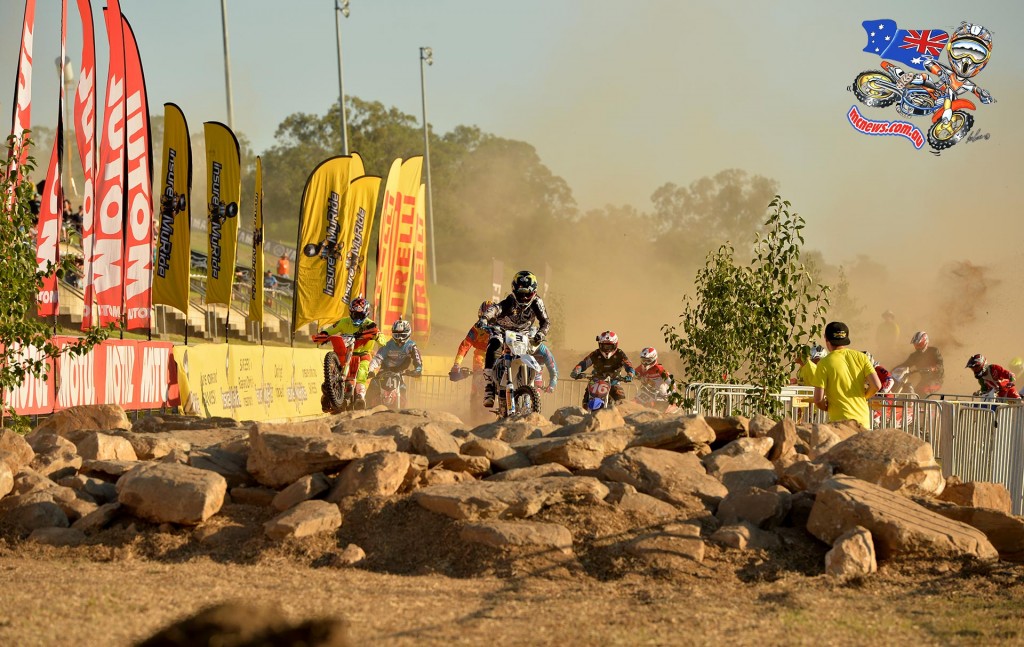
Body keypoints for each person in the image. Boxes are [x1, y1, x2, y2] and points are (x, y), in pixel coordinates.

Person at [479, 270, 550, 408]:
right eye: (520, 294)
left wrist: (541, 333)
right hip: (503, 330)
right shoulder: (510, 301)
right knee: (494, 344)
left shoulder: (537, 302)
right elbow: (496, 308)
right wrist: (484, 318)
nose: (523, 298)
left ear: (534, 292)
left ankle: (530, 387)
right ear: (514, 290)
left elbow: (546, 321)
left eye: (527, 294)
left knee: (535, 350)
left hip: (524, 332)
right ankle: (489, 387)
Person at [809, 322, 882, 429]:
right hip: (863, 421)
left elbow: (818, 399)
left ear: (826, 338)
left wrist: (826, 407)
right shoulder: (862, 357)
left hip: (840, 423)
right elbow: (876, 386)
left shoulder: (824, 363)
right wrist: (864, 396)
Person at [319, 296, 387, 409]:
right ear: (351, 312)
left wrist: (378, 337)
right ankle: (326, 395)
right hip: (344, 354)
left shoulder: (370, 324)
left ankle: (360, 397)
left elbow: (382, 339)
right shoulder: (344, 321)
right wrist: (323, 335)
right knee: (331, 371)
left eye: (360, 315)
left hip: (363, 355)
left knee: (362, 372)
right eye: (355, 314)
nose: (357, 317)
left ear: (366, 313)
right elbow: (330, 329)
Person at [450, 300, 494, 418]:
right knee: (477, 380)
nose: (487, 324)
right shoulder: (476, 328)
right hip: (480, 355)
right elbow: (465, 345)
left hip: (497, 355)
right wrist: (456, 364)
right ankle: (475, 407)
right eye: (484, 318)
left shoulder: (502, 325)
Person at [569, 331, 636, 408]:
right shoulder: (596, 353)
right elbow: (584, 363)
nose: (606, 349)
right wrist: (576, 371)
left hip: (614, 382)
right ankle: (586, 415)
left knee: (621, 402)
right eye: (604, 346)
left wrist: (630, 374)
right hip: (596, 382)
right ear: (600, 344)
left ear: (615, 345)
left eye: (609, 346)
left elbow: (629, 365)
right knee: (586, 401)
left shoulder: (620, 354)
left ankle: (622, 418)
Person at [366, 318, 423, 406]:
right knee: (373, 384)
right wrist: (370, 369)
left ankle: (403, 410)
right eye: (397, 334)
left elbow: (417, 359)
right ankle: (365, 408)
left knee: (403, 388)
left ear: (408, 333)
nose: (400, 338)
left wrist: (418, 369)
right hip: (384, 370)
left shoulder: (411, 345)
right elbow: (377, 358)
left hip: (400, 372)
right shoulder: (388, 345)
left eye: (402, 334)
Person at [892, 331, 944, 396]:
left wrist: (932, 368)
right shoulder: (914, 356)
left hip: (936, 381)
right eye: (916, 345)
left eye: (919, 345)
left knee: (920, 393)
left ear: (925, 343)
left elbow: (940, 365)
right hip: (924, 381)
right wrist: (893, 370)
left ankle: (923, 405)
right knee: (913, 394)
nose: (917, 347)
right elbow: (905, 364)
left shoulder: (934, 351)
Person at [528, 326, 558, 393]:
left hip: (536, 379)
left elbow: (554, 372)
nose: (532, 344)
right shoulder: (519, 347)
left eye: (535, 341)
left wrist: (551, 385)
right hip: (519, 377)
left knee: (536, 396)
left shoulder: (544, 351)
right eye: (529, 341)